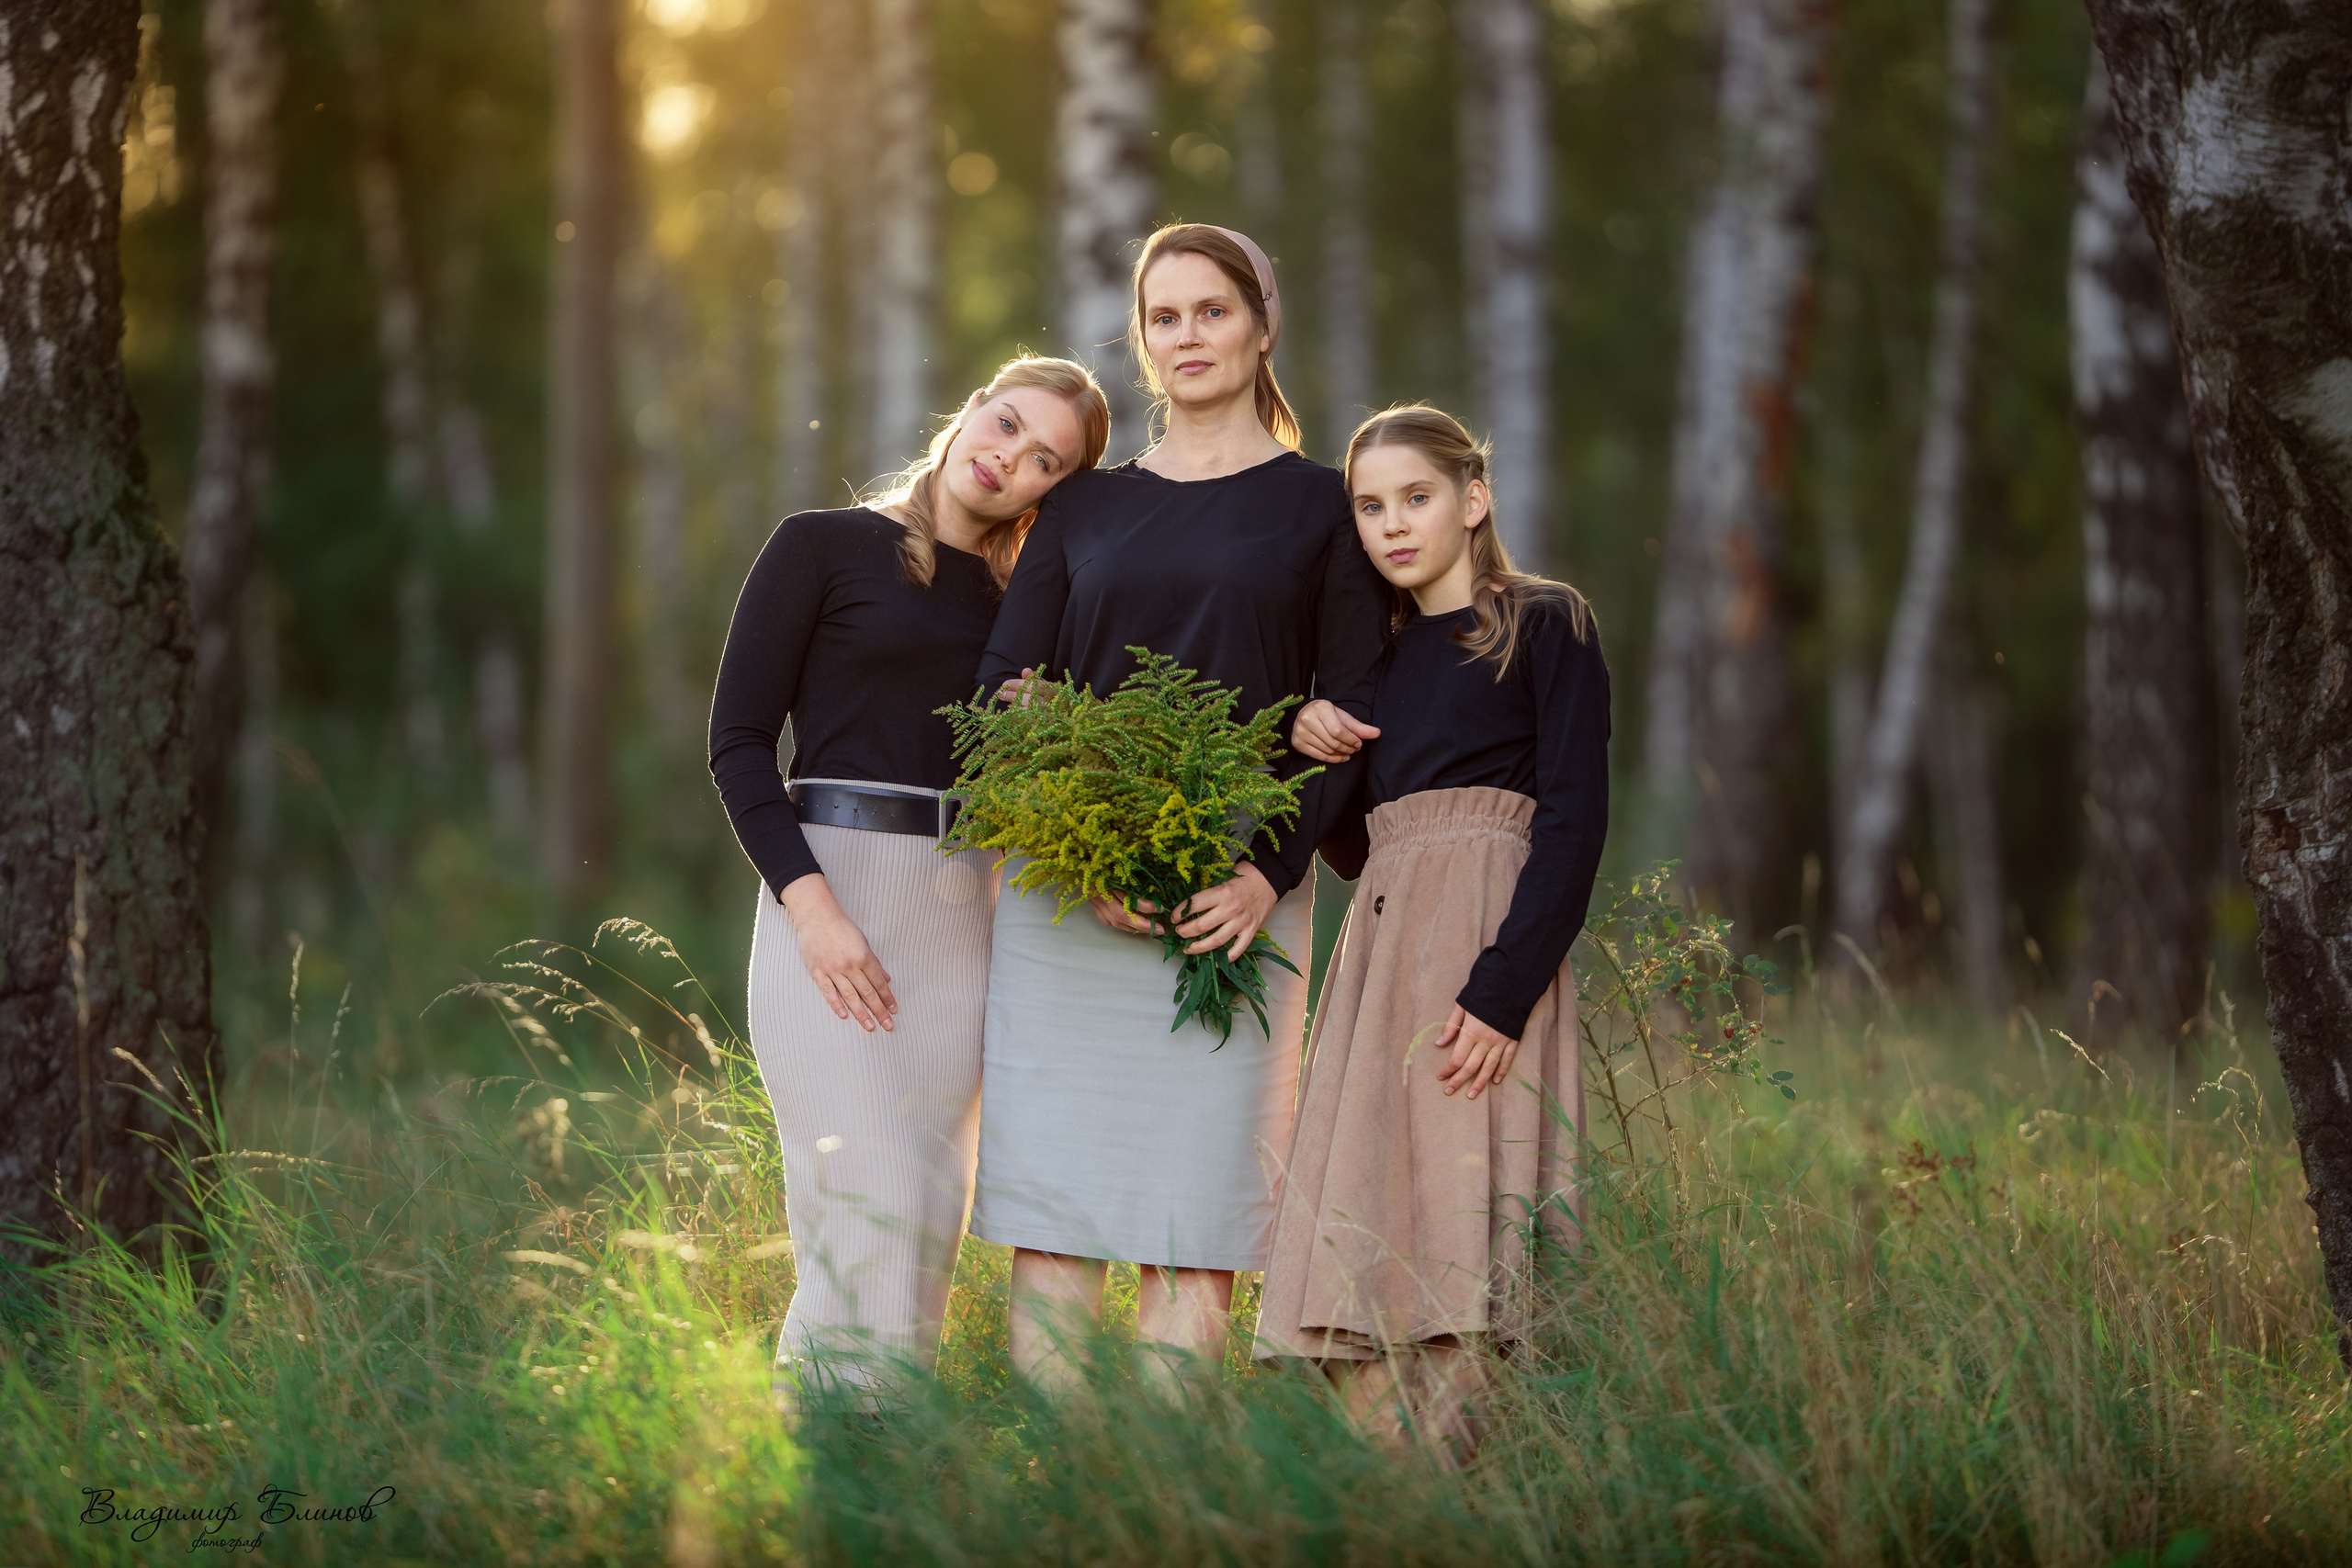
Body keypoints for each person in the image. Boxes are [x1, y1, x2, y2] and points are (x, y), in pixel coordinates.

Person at [968, 224, 1390, 1391]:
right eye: (1164, 316)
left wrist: (1266, 872)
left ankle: (1170, 1505)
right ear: (1143, 343)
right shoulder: (1086, 509)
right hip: (1067, 898)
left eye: (1212, 310)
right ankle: (1066, 1499)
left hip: (1240, 909)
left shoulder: (1321, 508)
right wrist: (1081, 843)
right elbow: (1007, 683)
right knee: (1053, 1212)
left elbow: (1351, 706)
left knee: (1194, 1229)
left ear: (1261, 325)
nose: (1188, 335)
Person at [708, 355, 1109, 1405]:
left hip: (966, 910)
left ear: (1048, 495)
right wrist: (813, 910)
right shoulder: (822, 546)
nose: (1008, 458)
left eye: (1042, 461)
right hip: (832, 891)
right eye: (1007, 423)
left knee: (928, 1209)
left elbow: (1036, 786)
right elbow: (739, 743)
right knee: (862, 1191)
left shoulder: (1034, 610)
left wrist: (1040, 733)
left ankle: (869, 1481)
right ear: (971, 406)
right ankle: (838, 1448)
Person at [1254, 403, 1609, 1462]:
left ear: (1473, 499)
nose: (1392, 526)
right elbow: (1359, 849)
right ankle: (1384, 1471)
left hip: (1490, 947)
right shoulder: (1374, 659)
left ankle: (1473, 1457)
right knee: (1376, 1188)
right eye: (1369, 507)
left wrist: (1503, 991)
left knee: (1472, 1190)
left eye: (1416, 499)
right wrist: (1309, 736)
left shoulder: (1545, 623)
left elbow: (1575, 820)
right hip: (1381, 954)